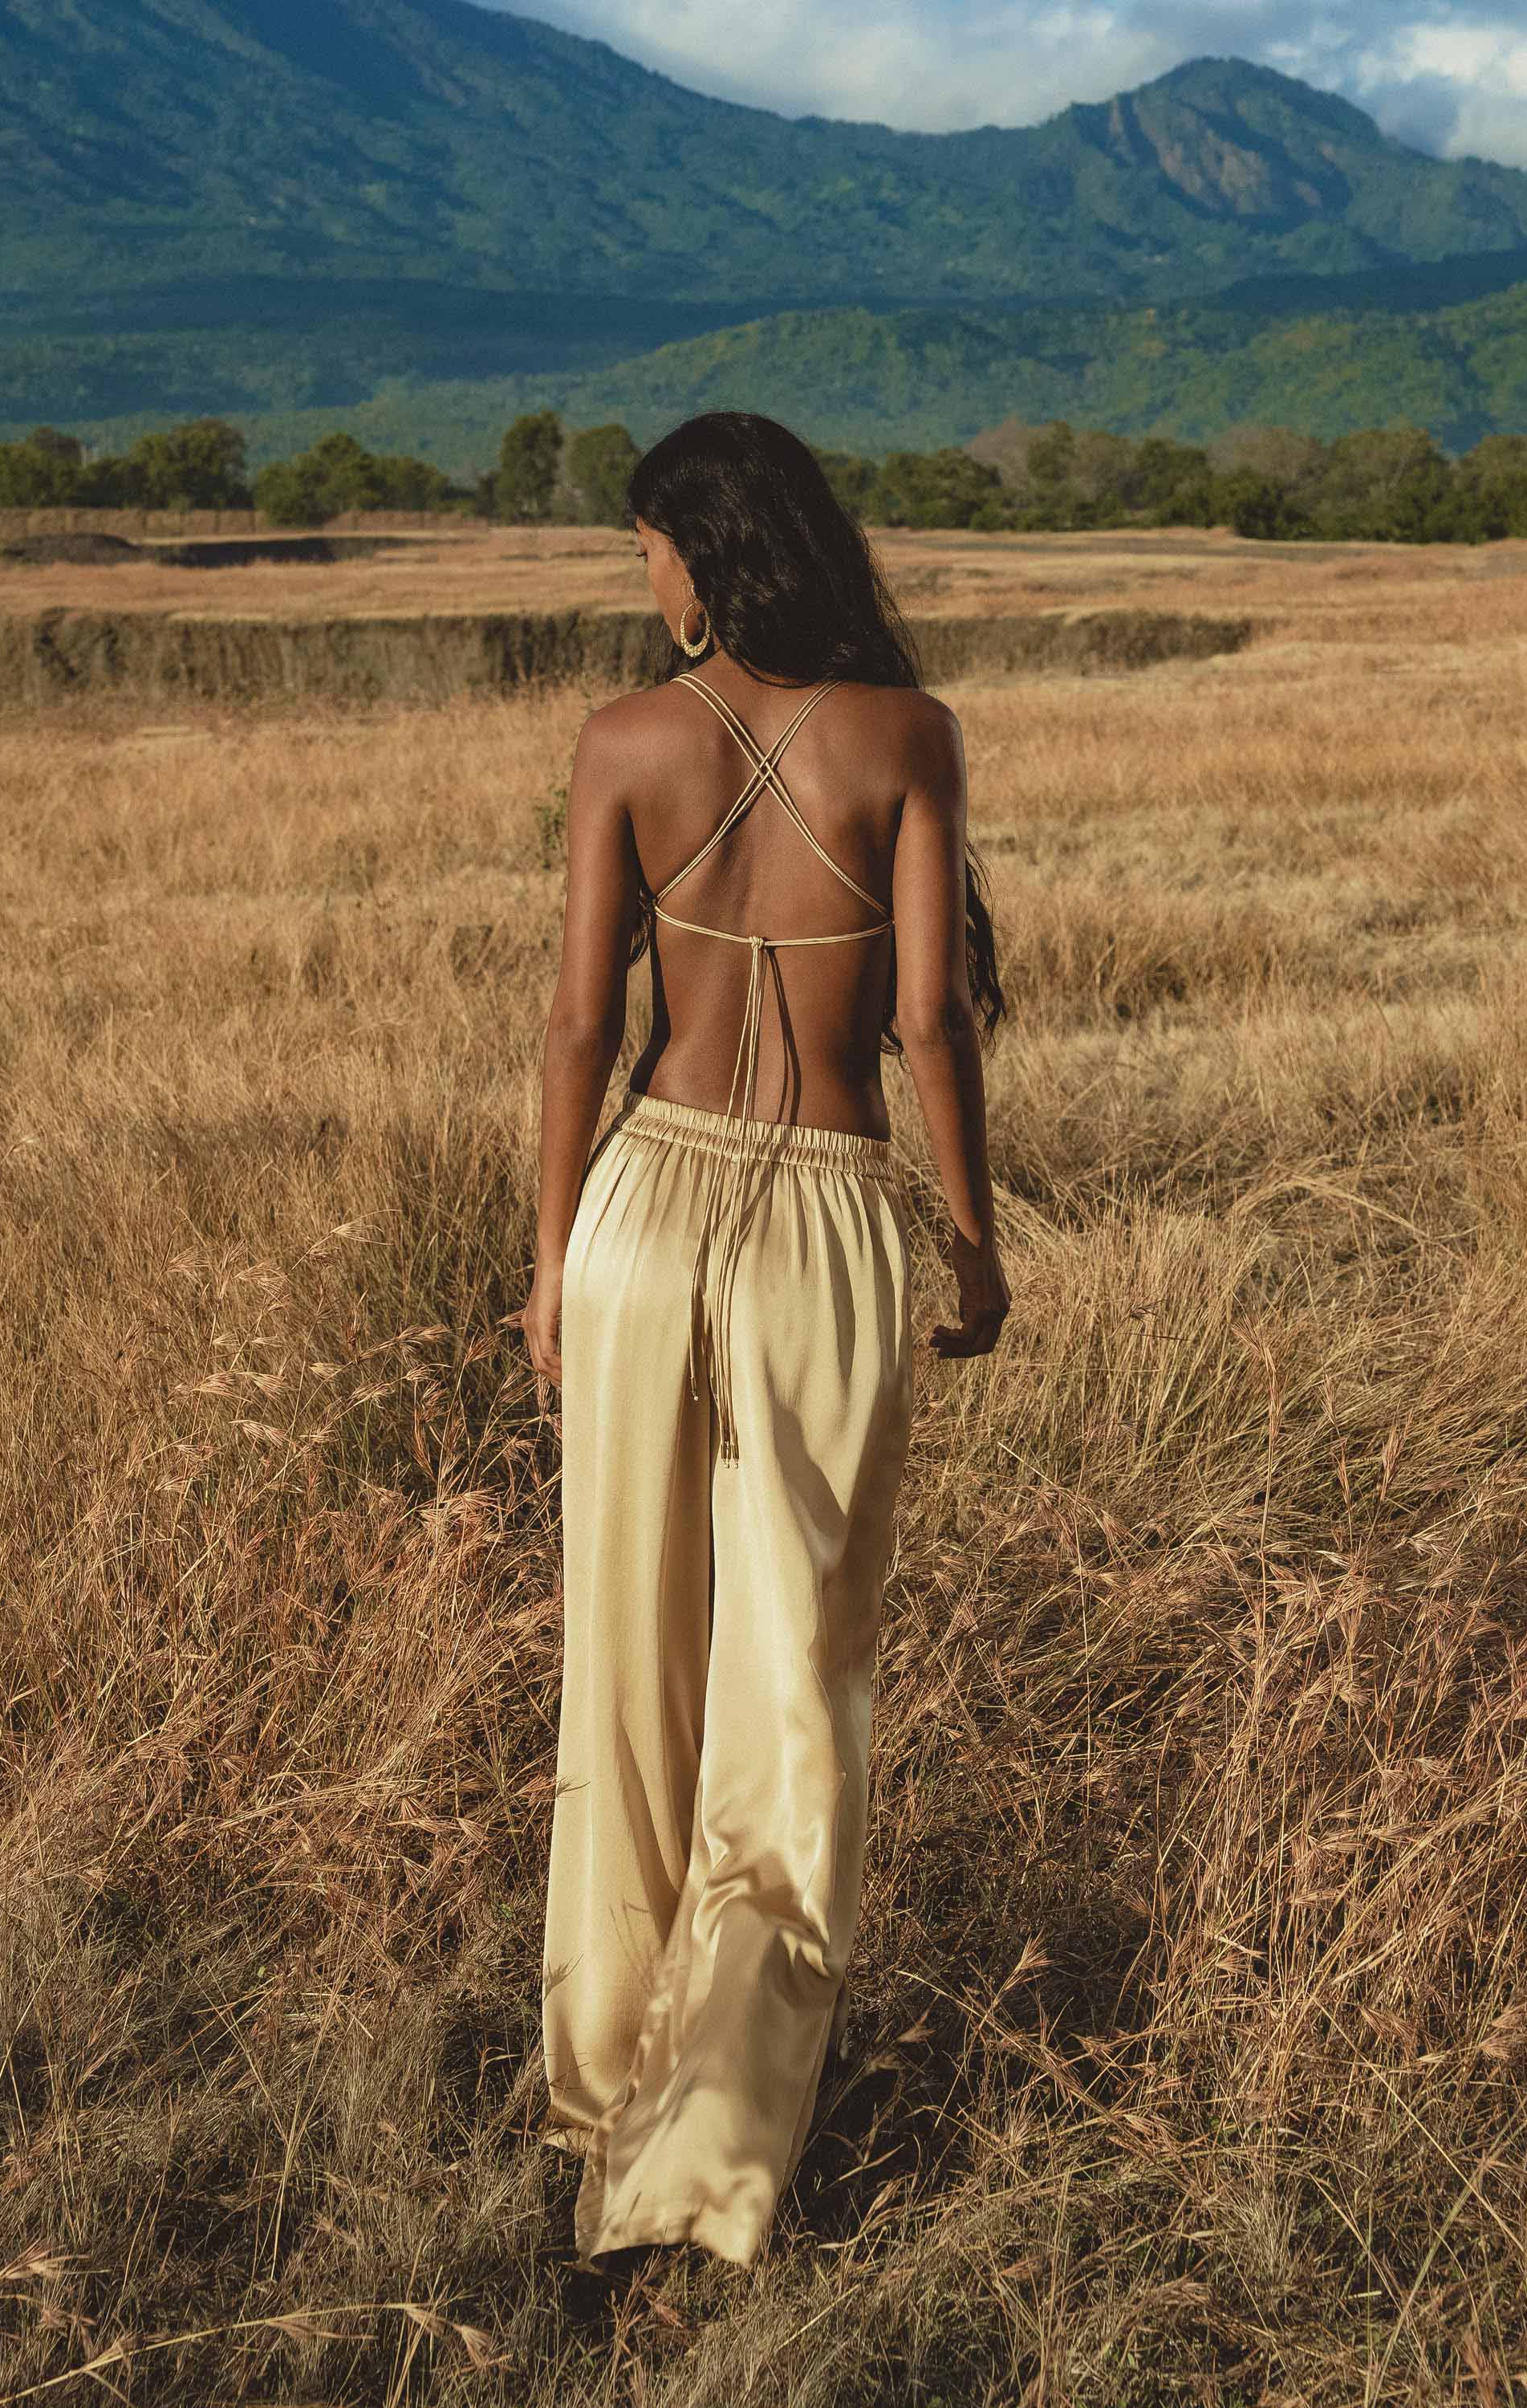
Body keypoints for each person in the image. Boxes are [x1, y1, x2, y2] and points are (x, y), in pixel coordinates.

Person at [512, 410, 1009, 2268]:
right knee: (798, 1691)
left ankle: (606, 2090)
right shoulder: (905, 738)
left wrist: (555, 1261)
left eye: (649, 549)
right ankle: (707, 2150)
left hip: (641, 1216)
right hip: (818, 1220)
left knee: (626, 1674)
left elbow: (578, 1030)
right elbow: (934, 1023)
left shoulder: (625, 745)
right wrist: (969, 1243)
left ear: (709, 552)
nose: (641, 583)